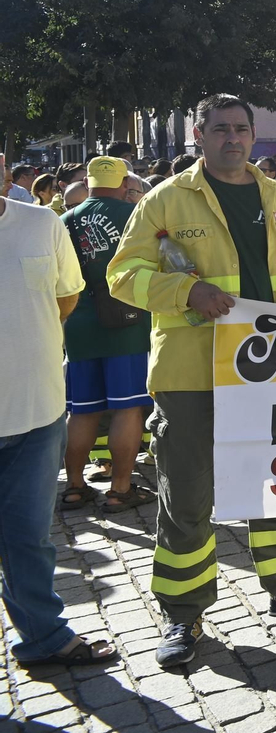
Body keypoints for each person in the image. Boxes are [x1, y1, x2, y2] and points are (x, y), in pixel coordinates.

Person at [107, 94, 276, 668]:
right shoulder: (166, 199)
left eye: (241, 129)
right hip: (192, 374)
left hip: (271, 372)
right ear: (199, 135)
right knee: (188, 494)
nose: (232, 138)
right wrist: (185, 291)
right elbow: (122, 275)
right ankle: (183, 612)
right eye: (220, 129)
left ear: (254, 135)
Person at [0, 172, 119, 673]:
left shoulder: (41, 223)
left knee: (29, 539)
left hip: (38, 415)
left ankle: (44, 638)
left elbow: (66, 296)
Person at [60, 156, 154, 514]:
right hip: (126, 320)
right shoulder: (134, 214)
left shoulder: (65, 219)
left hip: (79, 323)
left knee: (81, 411)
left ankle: (74, 486)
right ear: (124, 184)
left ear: (87, 182)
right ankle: (120, 488)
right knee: (127, 408)